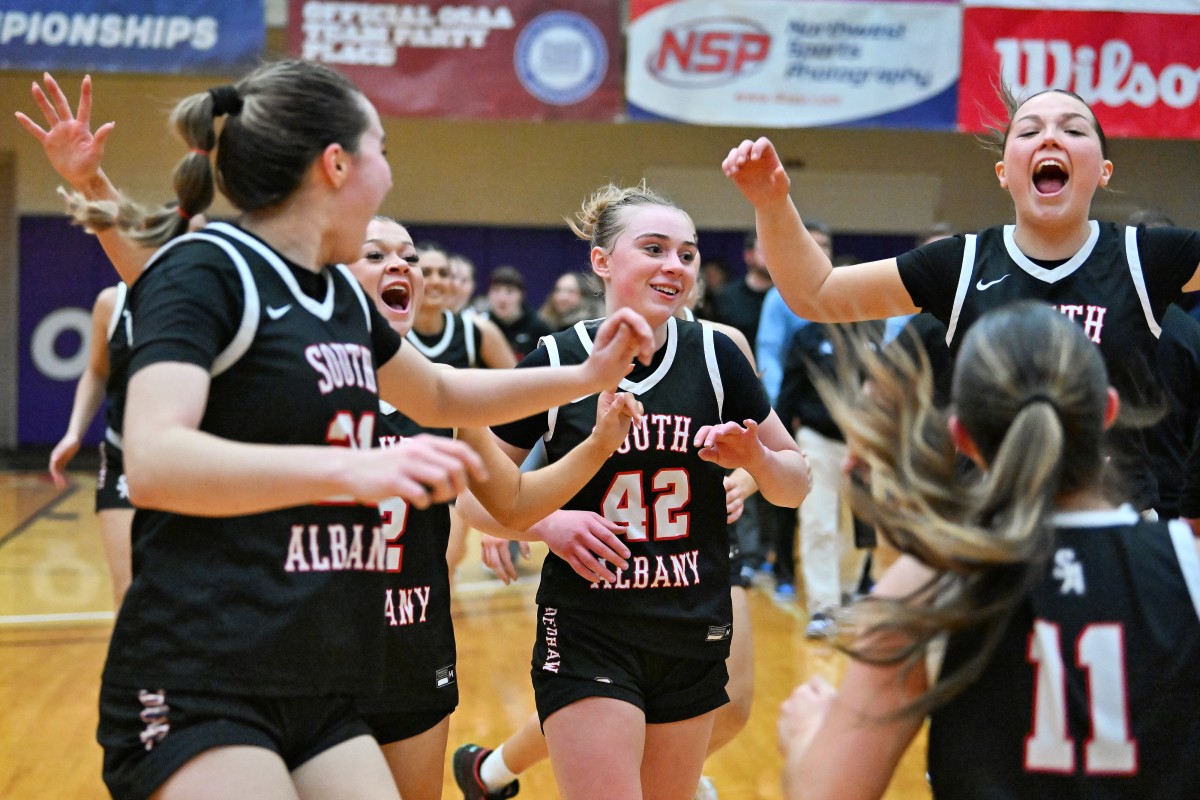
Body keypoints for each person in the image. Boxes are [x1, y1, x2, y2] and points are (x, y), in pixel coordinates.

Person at [54, 59, 654, 800]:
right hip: (200, 678)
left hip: (319, 677)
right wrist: (350, 471)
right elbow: (153, 460)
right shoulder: (207, 270)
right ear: (337, 165)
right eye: (384, 151)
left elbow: (439, 390)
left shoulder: (338, 294)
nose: (390, 177)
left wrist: (586, 377)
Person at [452, 182, 811, 800]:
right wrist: (546, 525)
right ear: (602, 261)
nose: (675, 264)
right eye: (654, 248)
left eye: (688, 253)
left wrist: (756, 461)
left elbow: (795, 484)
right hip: (591, 625)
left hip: (692, 624)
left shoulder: (719, 355)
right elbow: (471, 497)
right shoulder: (556, 358)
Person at [776, 301, 1200, 799]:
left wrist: (806, 737)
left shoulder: (930, 580)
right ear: (1108, 413)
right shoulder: (1187, 564)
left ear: (963, 437)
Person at [722, 87, 1200, 512]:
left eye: (1073, 129)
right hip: (990, 526)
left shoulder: (1142, 256)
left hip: (1113, 520)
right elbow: (818, 294)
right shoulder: (963, 264)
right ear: (1002, 172)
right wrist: (771, 203)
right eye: (1029, 130)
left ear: (1103, 171)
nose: (1050, 138)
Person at [346, 215, 644, 800]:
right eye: (376, 255)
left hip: (411, 643)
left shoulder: (444, 389)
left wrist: (597, 446)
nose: (401, 266)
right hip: (314, 643)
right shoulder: (295, 378)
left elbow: (511, 503)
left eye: (406, 255)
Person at [47, 284, 134, 610]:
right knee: (128, 595)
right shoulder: (111, 302)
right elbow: (97, 370)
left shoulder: (203, 287)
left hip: (183, 462)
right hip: (124, 457)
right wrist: (74, 432)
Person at [482, 265, 553, 357]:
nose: (502, 298)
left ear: (521, 295)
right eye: (496, 290)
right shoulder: (481, 326)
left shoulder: (539, 328)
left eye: (509, 291)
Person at [538, 271, 603, 333]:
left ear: (583, 295)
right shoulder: (544, 324)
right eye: (558, 290)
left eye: (570, 291)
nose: (562, 297)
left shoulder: (589, 328)